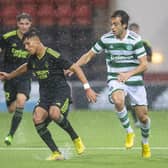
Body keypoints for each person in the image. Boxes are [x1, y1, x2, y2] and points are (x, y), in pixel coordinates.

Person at [0, 28, 98, 160]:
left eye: (28, 44)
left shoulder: (52, 55)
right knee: (37, 118)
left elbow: (75, 67)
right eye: (24, 45)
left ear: (37, 42)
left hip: (60, 92)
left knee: (54, 113)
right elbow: (24, 67)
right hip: (46, 95)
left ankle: (76, 138)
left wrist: (87, 88)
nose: (26, 48)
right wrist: (9, 76)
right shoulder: (33, 59)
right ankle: (56, 153)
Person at [70, 10, 151, 158]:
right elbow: (89, 55)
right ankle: (129, 132)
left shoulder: (135, 39)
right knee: (118, 100)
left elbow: (144, 65)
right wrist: (75, 66)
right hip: (115, 78)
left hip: (134, 80)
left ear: (124, 25)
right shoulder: (106, 39)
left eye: (116, 24)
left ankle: (145, 143)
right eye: (111, 24)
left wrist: (128, 74)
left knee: (143, 118)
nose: (112, 27)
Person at [0, 13, 32, 145]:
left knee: (21, 100)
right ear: (17, 24)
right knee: (12, 109)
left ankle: (10, 135)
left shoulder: (33, 38)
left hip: (24, 75)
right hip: (9, 76)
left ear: (30, 24)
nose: (24, 26)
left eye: (27, 24)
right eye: (21, 23)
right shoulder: (7, 38)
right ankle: (15, 123)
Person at [128, 22, 153, 127]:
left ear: (138, 31)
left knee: (138, 98)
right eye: (132, 31)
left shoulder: (144, 43)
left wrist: (139, 57)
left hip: (138, 74)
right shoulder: (126, 43)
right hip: (127, 73)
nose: (134, 33)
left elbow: (149, 59)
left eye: (135, 31)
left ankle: (142, 118)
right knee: (129, 99)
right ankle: (137, 120)